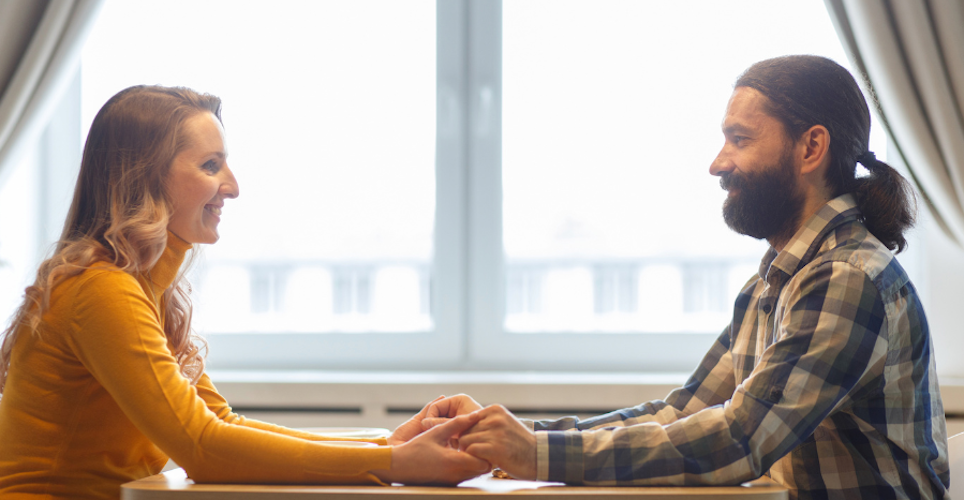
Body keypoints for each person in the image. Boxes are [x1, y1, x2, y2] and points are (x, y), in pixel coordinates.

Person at [422, 55, 950, 499]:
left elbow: (742, 439)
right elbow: (684, 412)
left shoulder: (846, 278)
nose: (718, 164)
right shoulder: (775, 282)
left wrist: (533, 454)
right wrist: (506, 435)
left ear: (811, 148)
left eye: (740, 139)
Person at [0, 85, 489, 499]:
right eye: (211, 166)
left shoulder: (145, 290)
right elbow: (204, 448)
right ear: (146, 178)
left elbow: (220, 423)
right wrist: (398, 464)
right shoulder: (100, 290)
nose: (232, 187)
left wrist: (386, 448)